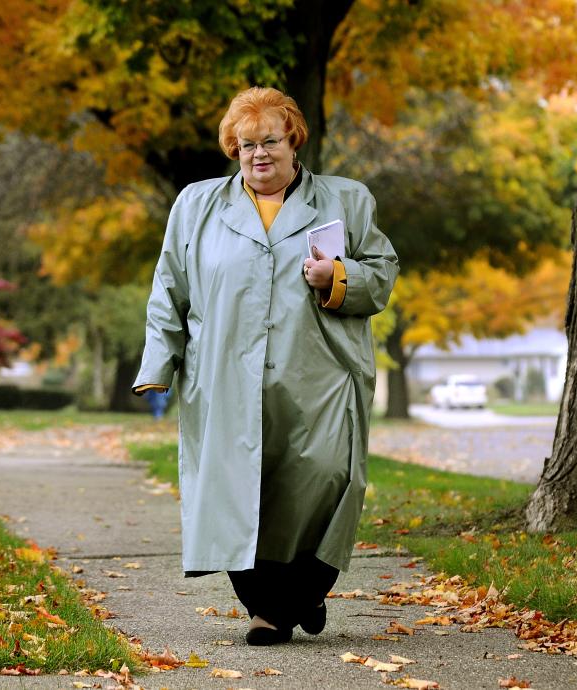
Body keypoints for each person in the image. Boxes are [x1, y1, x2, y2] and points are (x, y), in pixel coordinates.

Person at [132, 86, 398, 646]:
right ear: (234, 149)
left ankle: (304, 590)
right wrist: (159, 362)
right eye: (246, 144)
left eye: (270, 141)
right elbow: (169, 288)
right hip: (224, 376)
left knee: (326, 477)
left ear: (293, 140)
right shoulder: (196, 205)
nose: (259, 154)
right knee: (234, 488)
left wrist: (338, 280)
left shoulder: (346, 200)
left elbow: (382, 277)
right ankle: (271, 610)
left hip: (320, 374)